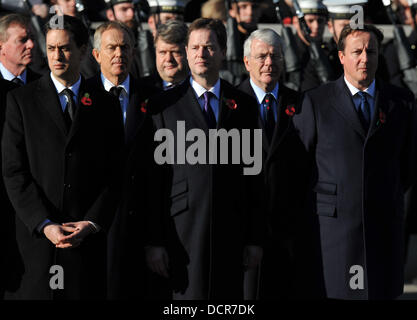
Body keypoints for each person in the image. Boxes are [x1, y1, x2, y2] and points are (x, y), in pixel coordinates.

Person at [1, 15, 124, 299]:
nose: (57, 56)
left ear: (83, 51)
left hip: (86, 249)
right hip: (35, 248)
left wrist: (92, 222)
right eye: (52, 47)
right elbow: (13, 170)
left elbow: (115, 172)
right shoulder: (22, 101)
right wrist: (44, 223)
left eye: (66, 48)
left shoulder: (106, 104)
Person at [292, 24, 417, 299]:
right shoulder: (315, 102)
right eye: (357, 52)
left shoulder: (402, 102)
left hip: (382, 229)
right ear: (340, 57)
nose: (364, 58)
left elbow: (408, 166)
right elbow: (299, 170)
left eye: (371, 52)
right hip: (332, 233)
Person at [145, 17, 265, 299]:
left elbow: (254, 176)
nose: (201, 54)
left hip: (231, 232)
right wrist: (153, 241)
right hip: (181, 234)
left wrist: (255, 238)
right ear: (186, 51)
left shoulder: (244, 105)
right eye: (195, 47)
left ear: (222, 51)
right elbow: (153, 180)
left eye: (209, 47)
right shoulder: (163, 107)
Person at [87, 20, 159, 299]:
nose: (119, 53)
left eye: (125, 47)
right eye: (112, 48)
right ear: (96, 55)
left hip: (142, 222)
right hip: (95, 224)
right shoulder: (82, 96)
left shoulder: (154, 98)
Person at [238, 28, 303, 300]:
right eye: (261, 56)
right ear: (246, 62)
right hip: (243, 229)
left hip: (289, 230)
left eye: (275, 56)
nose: (269, 63)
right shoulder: (231, 103)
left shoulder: (301, 103)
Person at [291, 0, 333, 91]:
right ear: (295, 22)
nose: (316, 26)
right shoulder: (287, 52)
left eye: (320, 21)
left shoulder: (331, 52)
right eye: (310, 21)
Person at [0, 14, 41, 85]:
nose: (31, 45)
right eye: (22, 40)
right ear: (1, 45)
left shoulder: (42, 84)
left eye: (33, 38)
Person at [154, 20, 189, 90]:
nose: (168, 59)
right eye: (162, 52)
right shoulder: (140, 90)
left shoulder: (202, 88)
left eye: (175, 52)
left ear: (188, 52)